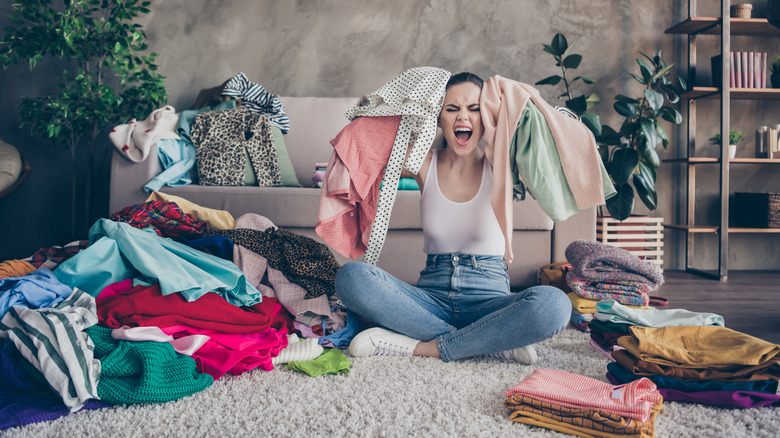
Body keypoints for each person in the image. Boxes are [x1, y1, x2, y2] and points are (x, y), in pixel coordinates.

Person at [334, 72, 572, 364]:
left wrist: (513, 98)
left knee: (555, 305)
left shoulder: (505, 162)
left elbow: (557, 144)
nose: (463, 117)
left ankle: (426, 346)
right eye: (452, 109)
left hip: (490, 302)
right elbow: (361, 138)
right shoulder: (423, 162)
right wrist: (417, 94)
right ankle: (489, 341)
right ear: (438, 117)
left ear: (487, 116)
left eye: (474, 109)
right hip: (430, 301)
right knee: (352, 278)